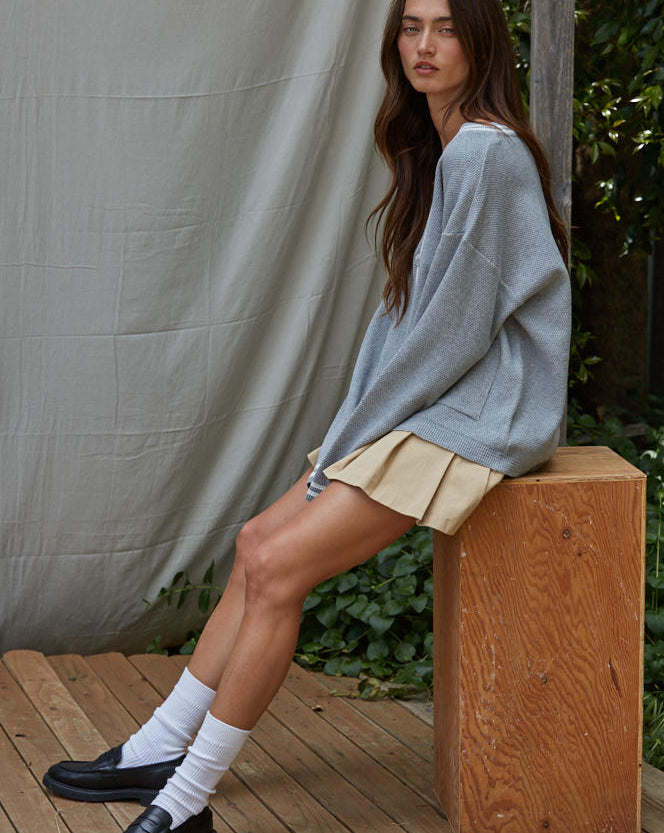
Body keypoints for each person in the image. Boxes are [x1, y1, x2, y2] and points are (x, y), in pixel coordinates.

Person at [42, 0, 571, 830]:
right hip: (434, 402)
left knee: (280, 569)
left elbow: (453, 332)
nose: (423, 47)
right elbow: (405, 321)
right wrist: (354, 422)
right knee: (256, 542)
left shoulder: (486, 156)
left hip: (481, 413)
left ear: (481, 42)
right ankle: (154, 749)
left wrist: (359, 431)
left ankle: (185, 800)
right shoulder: (444, 151)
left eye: (445, 28)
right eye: (409, 27)